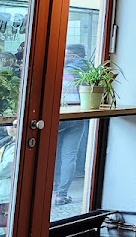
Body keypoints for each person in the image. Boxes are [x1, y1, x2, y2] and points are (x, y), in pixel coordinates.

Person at [53, 44, 90, 206]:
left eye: (66, 55)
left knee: (53, 153)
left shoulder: (64, 71)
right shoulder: (89, 70)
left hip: (59, 114)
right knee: (69, 156)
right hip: (77, 114)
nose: (63, 57)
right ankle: (61, 195)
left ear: (74, 56)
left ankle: (51, 186)